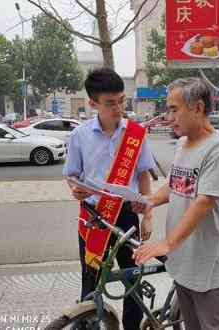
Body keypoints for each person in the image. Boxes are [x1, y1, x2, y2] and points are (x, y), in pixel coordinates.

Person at [132, 78, 219, 330]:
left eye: (173, 109)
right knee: (190, 324)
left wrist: (167, 243)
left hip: (205, 262)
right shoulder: (183, 143)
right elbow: (176, 184)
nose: (168, 116)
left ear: (198, 108)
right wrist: (150, 201)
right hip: (182, 257)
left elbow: (204, 202)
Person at [63, 68, 156, 330]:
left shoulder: (135, 134)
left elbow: (144, 175)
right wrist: (75, 189)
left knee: (132, 280)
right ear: (93, 103)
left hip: (127, 217)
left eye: (121, 101)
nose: (118, 109)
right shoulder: (79, 136)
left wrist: (147, 216)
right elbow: (71, 175)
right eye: (110, 103)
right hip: (93, 219)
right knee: (90, 283)